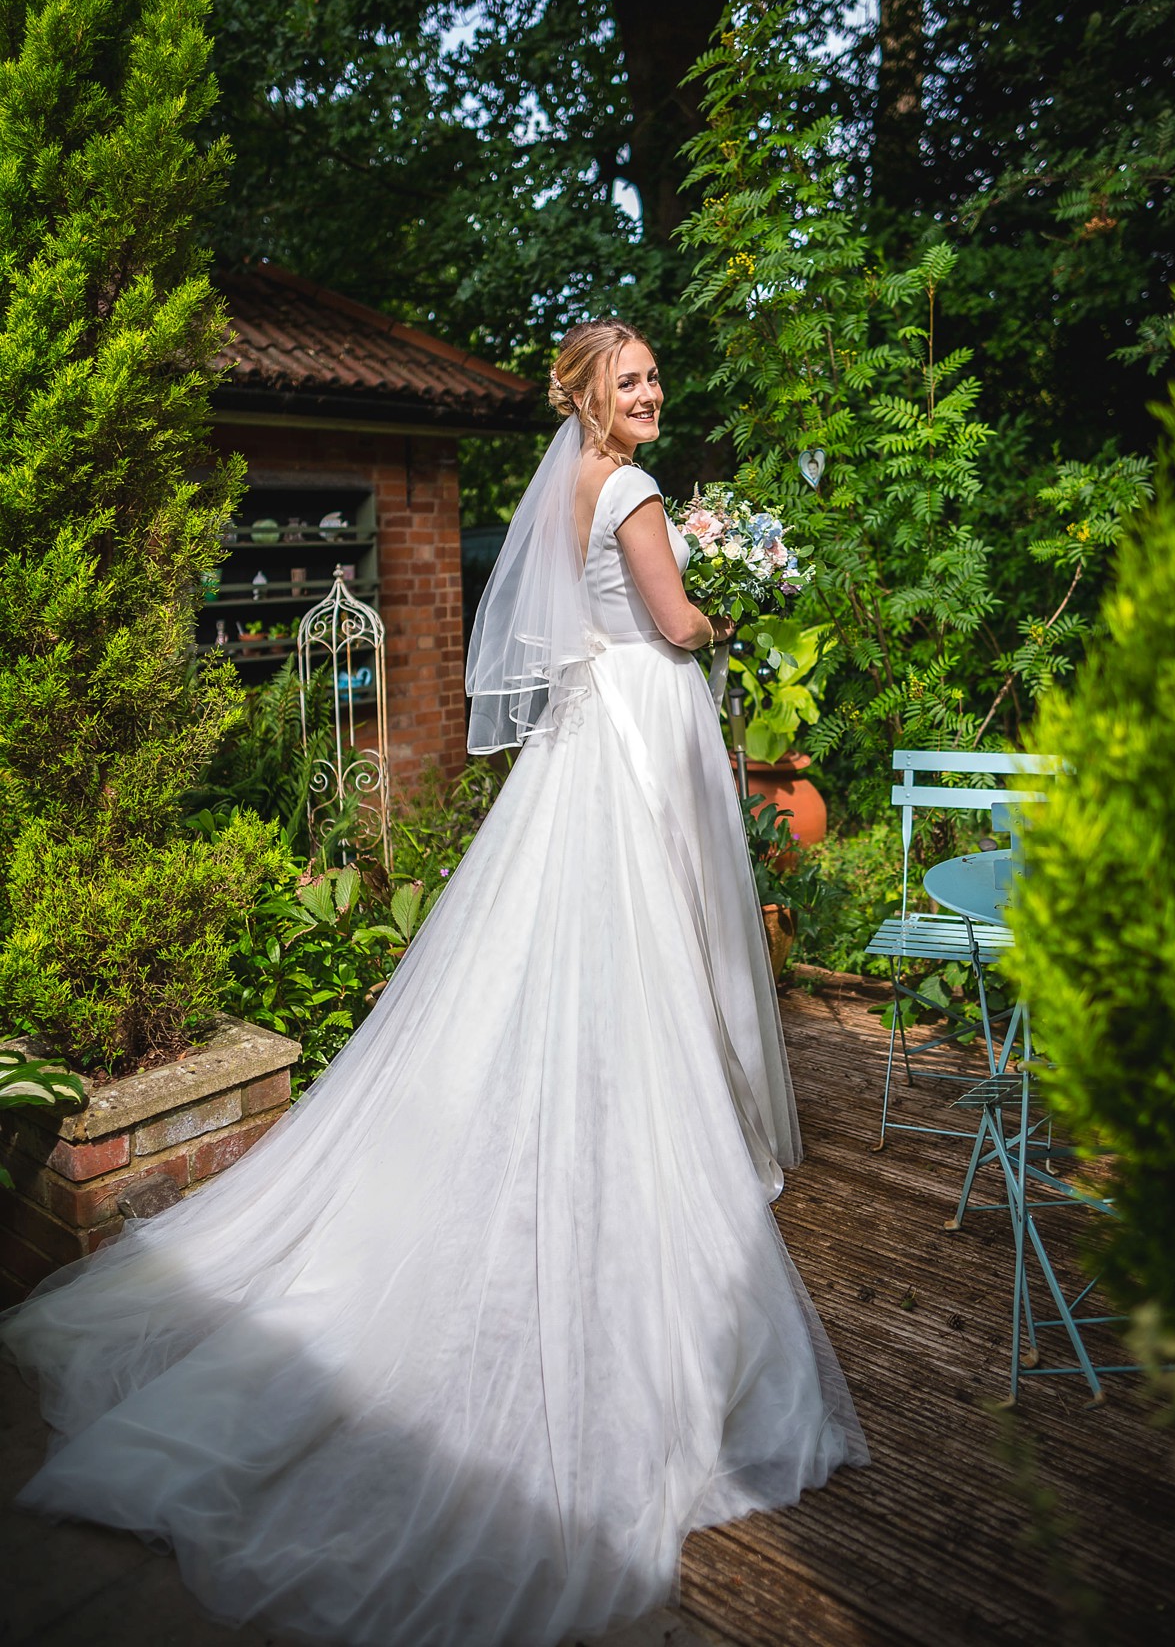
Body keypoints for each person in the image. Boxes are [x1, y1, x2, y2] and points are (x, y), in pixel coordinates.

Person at [1, 319, 868, 1646]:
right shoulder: (628, 490)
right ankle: (646, 1140)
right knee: (647, 941)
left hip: (587, 747)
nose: (648, 395)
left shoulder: (570, 479)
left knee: (570, 948)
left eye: (650, 379)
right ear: (591, 397)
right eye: (627, 382)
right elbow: (677, 623)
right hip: (636, 730)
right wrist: (749, 599)